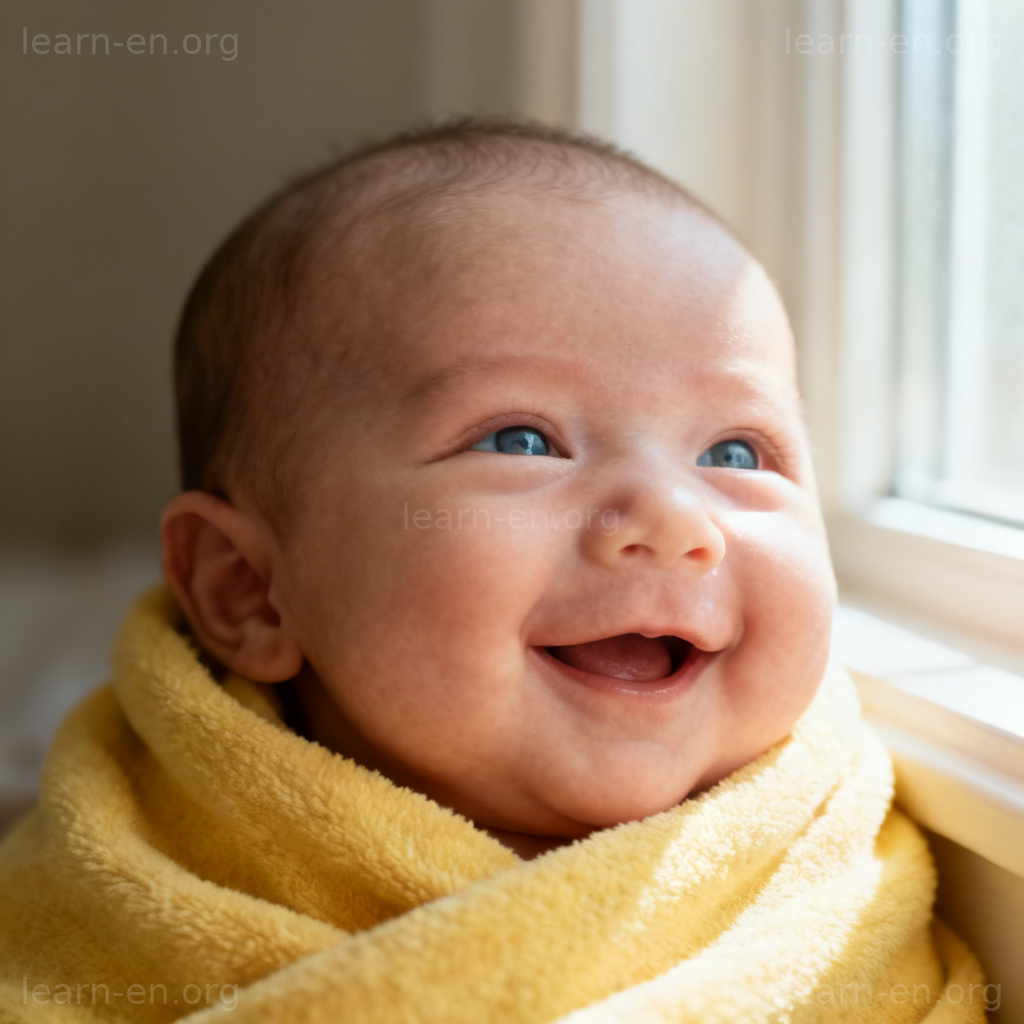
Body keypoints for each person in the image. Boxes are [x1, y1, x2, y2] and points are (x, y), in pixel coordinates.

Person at [0, 120, 988, 1022]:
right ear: (246, 588)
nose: (674, 517)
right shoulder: (129, 879)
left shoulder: (825, 887)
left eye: (735, 452)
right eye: (522, 438)